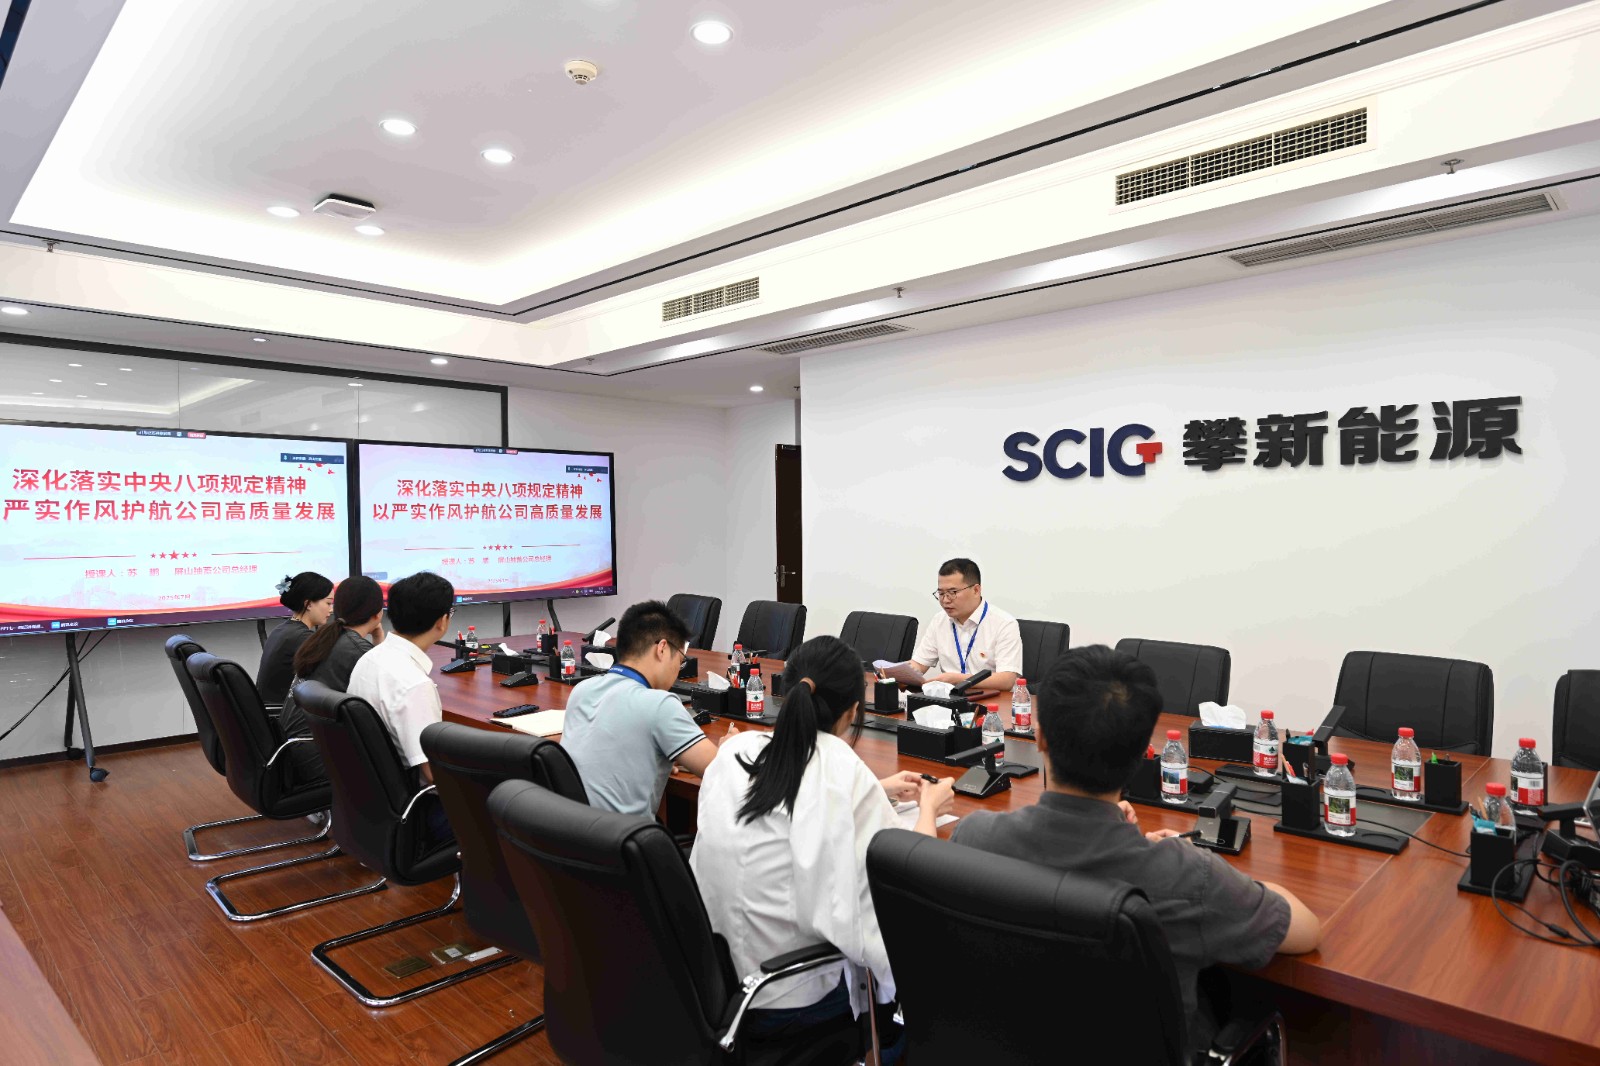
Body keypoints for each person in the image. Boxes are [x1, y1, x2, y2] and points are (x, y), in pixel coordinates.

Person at [950, 645, 1320, 1051]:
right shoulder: (1187, 877)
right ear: (1144, 752)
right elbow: (1306, 930)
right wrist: (1200, 863)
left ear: (1039, 738)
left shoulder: (973, 838)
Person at [691, 635, 954, 1061]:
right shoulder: (842, 769)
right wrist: (929, 807)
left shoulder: (737, 750)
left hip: (715, 983)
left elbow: (795, 797)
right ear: (853, 711)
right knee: (933, 1000)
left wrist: (877, 789)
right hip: (792, 1000)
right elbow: (908, 873)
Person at [561, 600, 727, 816]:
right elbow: (724, 772)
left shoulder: (582, 691)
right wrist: (732, 746)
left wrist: (657, 754)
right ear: (662, 649)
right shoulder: (660, 705)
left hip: (571, 830)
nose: (678, 669)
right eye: (680, 660)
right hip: (625, 835)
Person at [345, 571, 455, 842]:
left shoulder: (370, 659)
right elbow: (433, 774)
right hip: (419, 813)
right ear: (442, 621)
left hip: (372, 809)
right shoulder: (413, 684)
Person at [277, 576, 386, 786]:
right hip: (315, 758)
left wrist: (376, 640)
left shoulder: (326, 638)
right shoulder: (356, 650)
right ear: (378, 613)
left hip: (293, 749)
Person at [908, 558, 1021, 697]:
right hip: (950, 700)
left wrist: (958, 679)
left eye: (953, 592)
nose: (945, 600)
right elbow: (919, 664)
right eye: (941, 593)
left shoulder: (1004, 623)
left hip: (992, 701)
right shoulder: (939, 620)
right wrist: (897, 672)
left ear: (976, 590)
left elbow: (1007, 680)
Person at [256, 571, 334, 705]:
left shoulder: (281, 630)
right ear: (309, 604)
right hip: (281, 713)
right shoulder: (303, 638)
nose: (331, 609)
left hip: (267, 711)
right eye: (328, 603)